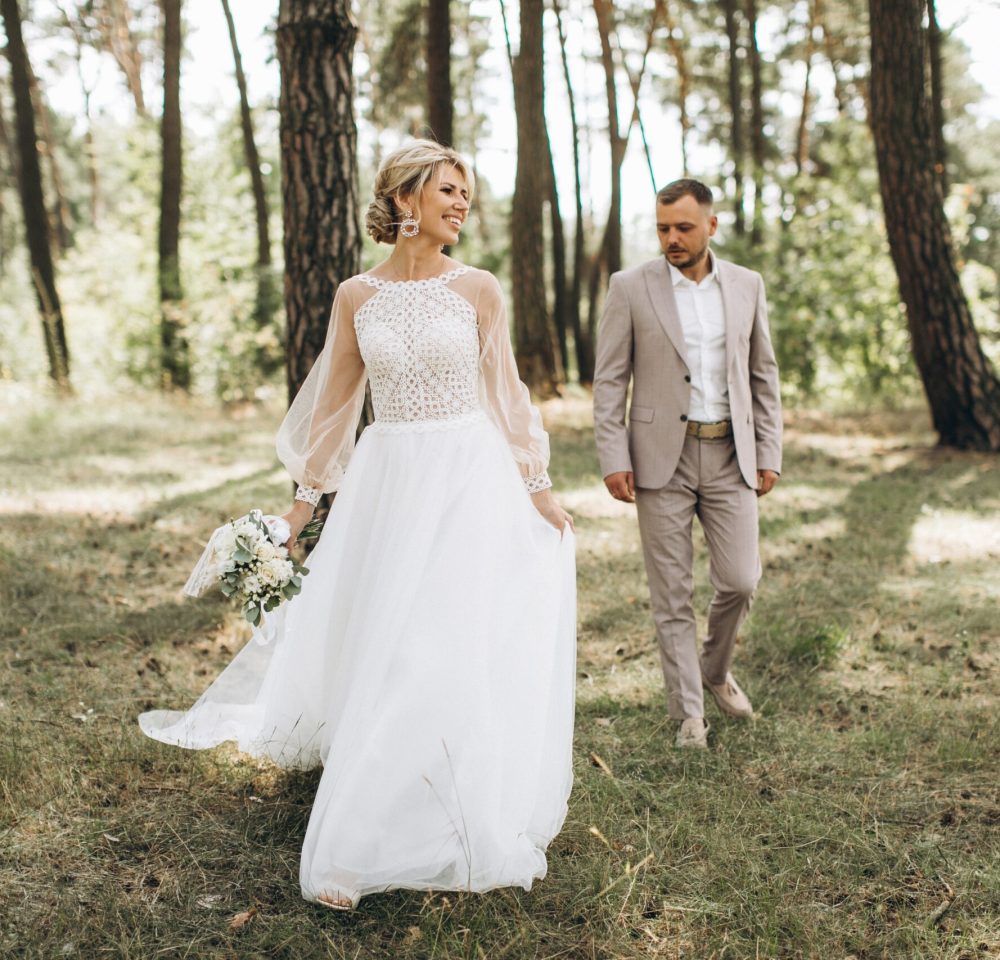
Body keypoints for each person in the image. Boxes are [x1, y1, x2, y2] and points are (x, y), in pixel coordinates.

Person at [140, 140, 577, 909]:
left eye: (464, 194)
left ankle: (449, 806)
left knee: (446, 644)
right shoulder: (356, 296)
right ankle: (362, 833)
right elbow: (335, 412)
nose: (460, 204)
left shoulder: (478, 289)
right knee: (395, 645)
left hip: (467, 479)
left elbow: (506, 395)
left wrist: (536, 486)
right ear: (405, 199)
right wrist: (299, 513)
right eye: (447, 190)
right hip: (388, 482)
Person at [592, 178, 781, 750]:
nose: (671, 239)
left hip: (731, 455)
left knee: (740, 581)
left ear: (711, 226)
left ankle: (714, 672)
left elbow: (762, 374)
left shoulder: (747, 285)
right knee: (671, 593)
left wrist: (768, 450)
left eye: (683, 228)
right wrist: (612, 456)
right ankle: (689, 715)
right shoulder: (629, 287)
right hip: (658, 462)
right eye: (663, 229)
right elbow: (609, 381)